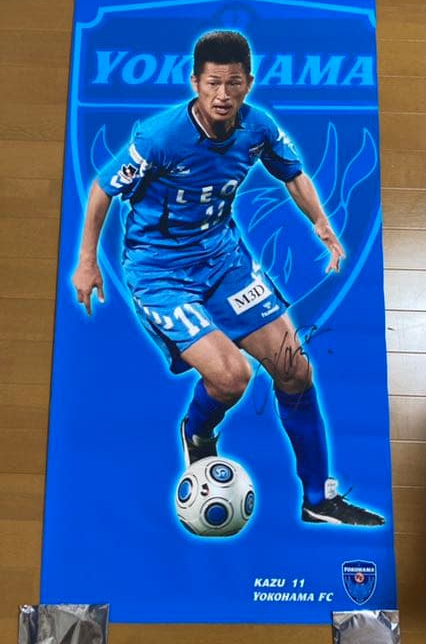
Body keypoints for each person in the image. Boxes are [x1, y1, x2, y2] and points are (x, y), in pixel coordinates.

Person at [73, 30, 384, 526]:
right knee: (231, 378)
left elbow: (292, 173)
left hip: (225, 262)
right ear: (195, 82)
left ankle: (318, 500)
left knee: (295, 369)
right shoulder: (159, 137)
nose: (223, 94)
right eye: (213, 83)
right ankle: (197, 433)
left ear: (248, 83)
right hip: (160, 272)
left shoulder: (257, 127)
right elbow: (102, 189)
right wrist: (87, 260)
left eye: (233, 83)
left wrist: (321, 223)